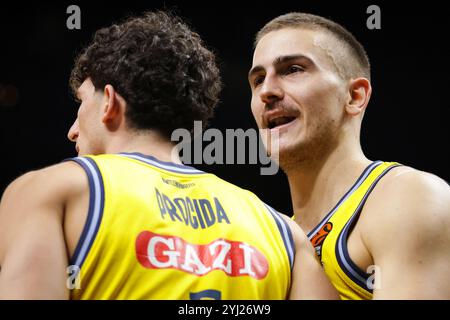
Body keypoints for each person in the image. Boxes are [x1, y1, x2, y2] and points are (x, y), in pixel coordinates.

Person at [0, 11, 336, 300]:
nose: (73, 130)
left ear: (109, 104)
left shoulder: (53, 192)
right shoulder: (284, 234)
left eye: (81, 104)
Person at [248, 12, 450, 299]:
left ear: (354, 96)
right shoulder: (274, 235)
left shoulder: (409, 197)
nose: (267, 91)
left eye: (293, 69)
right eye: (257, 80)